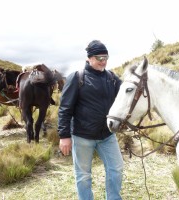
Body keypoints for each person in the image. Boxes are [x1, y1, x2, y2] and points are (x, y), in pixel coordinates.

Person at [58, 40, 123, 200]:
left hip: (107, 136)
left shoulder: (112, 78)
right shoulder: (77, 77)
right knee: (83, 175)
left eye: (106, 57)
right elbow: (65, 109)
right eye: (100, 58)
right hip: (82, 137)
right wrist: (64, 136)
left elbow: (125, 97)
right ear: (89, 58)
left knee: (116, 168)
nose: (104, 61)